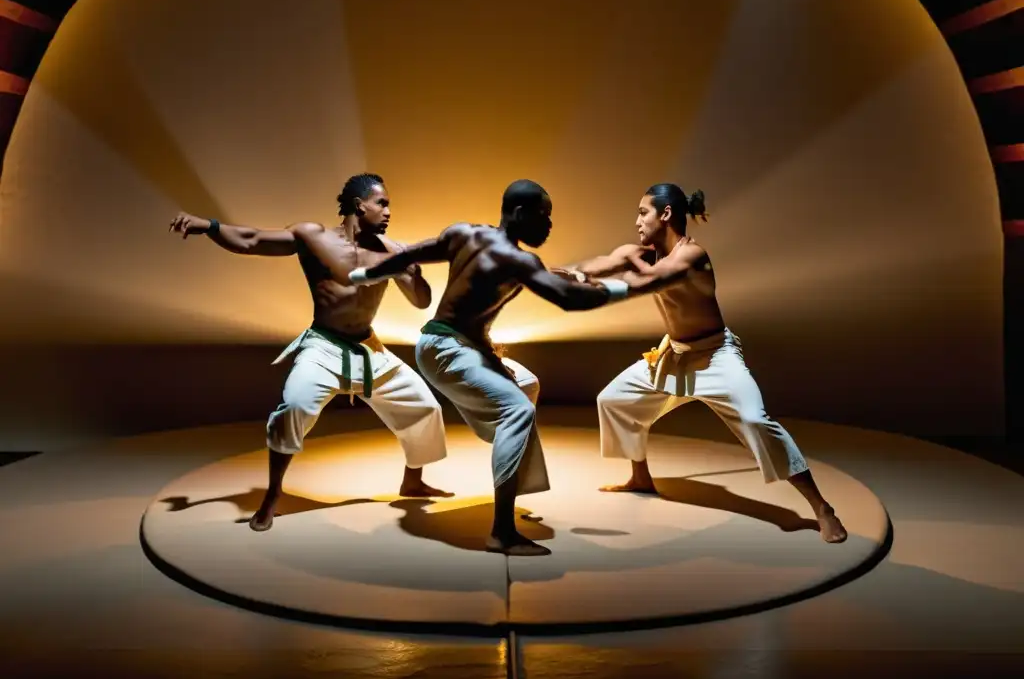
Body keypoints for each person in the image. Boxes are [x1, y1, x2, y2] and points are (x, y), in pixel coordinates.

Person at [348, 180, 630, 555]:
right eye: (543, 216)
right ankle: (502, 532)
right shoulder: (520, 261)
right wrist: (627, 288)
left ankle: (509, 470)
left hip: (453, 347)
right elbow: (564, 298)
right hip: (447, 349)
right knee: (517, 410)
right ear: (518, 214)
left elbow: (408, 256)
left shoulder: (466, 234)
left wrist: (367, 275)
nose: (548, 225)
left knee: (526, 385)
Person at [558, 183, 848, 544]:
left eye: (643, 212)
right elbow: (598, 264)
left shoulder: (692, 256)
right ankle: (640, 477)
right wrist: (556, 273)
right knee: (614, 400)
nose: (637, 221)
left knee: (756, 420)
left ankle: (822, 508)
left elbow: (650, 281)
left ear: (665, 215)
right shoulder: (644, 253)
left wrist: (603, 276)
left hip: (715, 357)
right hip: (673, 353)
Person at [168, 173, 452, 532]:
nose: (388, 211)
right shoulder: (314, 237)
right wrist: (208, 225)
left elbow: (421, 301)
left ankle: (412, 481)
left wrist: (409, 269)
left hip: (369, 348)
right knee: (296, 406)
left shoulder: (392, 250)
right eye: (382, 203)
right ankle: (272, 494)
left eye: (388, 204)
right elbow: (251, 240)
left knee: (425, 408)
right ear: (358, 205)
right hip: (325, 346)